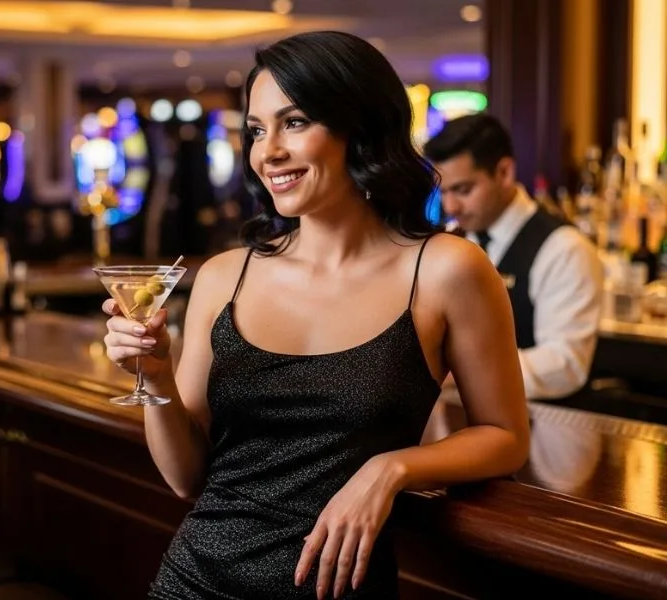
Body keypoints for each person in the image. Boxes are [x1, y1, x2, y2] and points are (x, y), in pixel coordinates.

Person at [102, 31, 529, 600]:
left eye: (295, 122)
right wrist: (156, 378)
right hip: (194, 583)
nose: (268, 152)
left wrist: (392, 469)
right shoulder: (225, 276)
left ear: (361, 128)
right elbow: (186, 479)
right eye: (257, 130)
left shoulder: (446, 269)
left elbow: (505, 436)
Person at [424, 114, 604, 401]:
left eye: (463, 190)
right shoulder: (452, 242)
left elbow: (566, 363)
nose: (450, 206)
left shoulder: (564, 248)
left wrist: (461, 370)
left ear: (504, 172)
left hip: (541, 420)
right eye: (443, 192)